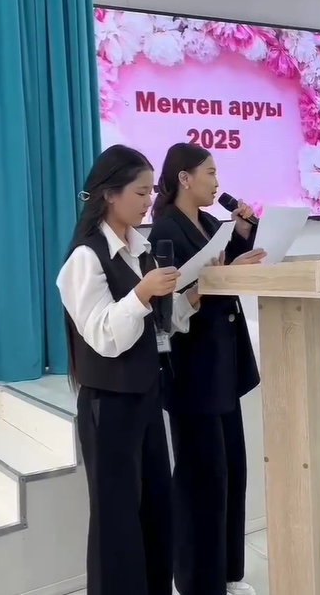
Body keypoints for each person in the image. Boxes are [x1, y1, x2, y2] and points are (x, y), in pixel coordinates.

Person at [56, 144, 200, 595]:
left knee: (156, 508)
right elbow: (103, 334)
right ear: (109, 195)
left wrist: (194, 294)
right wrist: (141, 294)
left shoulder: (143, 250)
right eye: (140, 192)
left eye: (151, 190)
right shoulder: (85, 258)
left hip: (146, 393)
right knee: (116, 521)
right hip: (109, 403)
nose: (148, 200)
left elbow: (162, 324)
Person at [149, 143, 264, 595]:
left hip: (224, 364)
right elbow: (173, 301)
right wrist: (222, 273)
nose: (218, 183)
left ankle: (227, 574)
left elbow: (228, 270)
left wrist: (244, 234)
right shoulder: (166, 228)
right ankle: (199, 582)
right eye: (210, 173)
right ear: (184, 177)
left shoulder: (213, 223)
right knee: (202, 477)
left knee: (231, 470)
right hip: (193, 368)